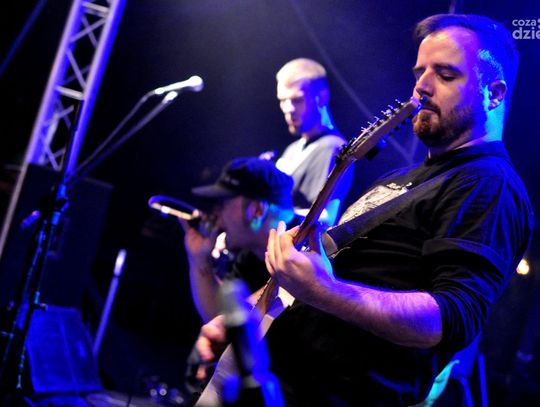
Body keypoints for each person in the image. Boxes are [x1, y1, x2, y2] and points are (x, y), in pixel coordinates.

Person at [195, 14, 534, 406]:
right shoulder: (401, 177)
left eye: (445, 74)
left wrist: (326, 290)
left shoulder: (490, 184)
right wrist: (244, 317)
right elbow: (315, 275)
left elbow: (451, 318)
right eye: (419, 72)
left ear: (494, 94)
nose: (421, 87)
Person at [181, 156, 295, 323]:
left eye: (222, 205)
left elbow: (236, 322)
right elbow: (221, 319)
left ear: (257, 210)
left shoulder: (307, 249)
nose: (215, 216)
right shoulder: (251, 256)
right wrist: (200, 259)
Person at [275, 58, 353, 228]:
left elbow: (327, 218)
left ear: (322, 98)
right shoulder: (291, 149)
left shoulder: (333, 148)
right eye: (282, 100)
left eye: (297, 100)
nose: (288, 109)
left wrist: (274, 214)